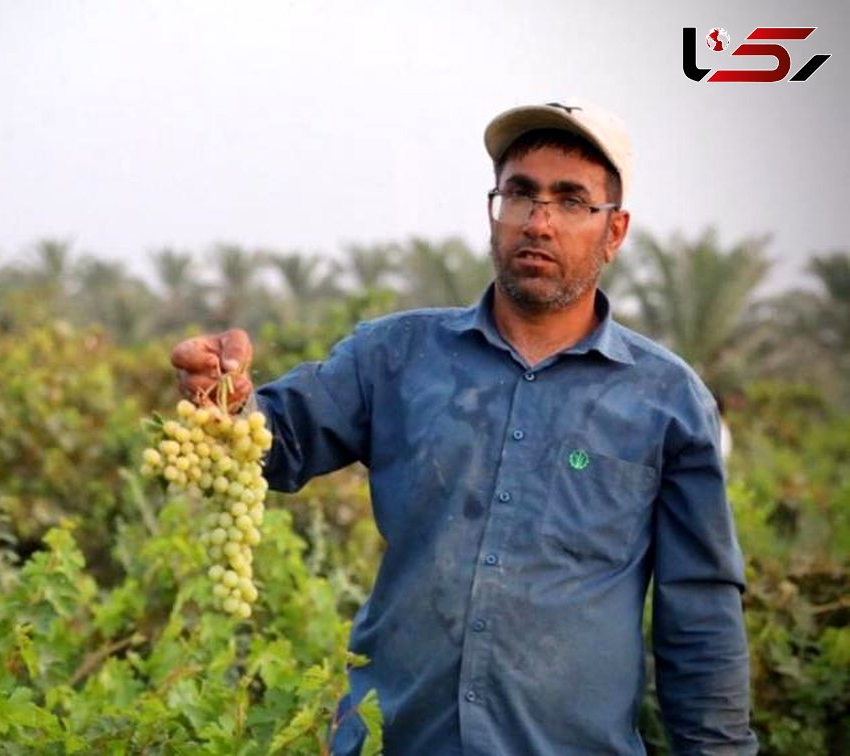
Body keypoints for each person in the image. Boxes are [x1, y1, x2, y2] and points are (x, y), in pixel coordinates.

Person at [171, 100, 756, 754]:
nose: (538, 221)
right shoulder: (393, 356)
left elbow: (700, 620)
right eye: (520, 194)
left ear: (614, 233)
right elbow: (276, 442)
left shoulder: (667, 400)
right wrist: (224, 405)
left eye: (570, 201)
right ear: (493, 213)